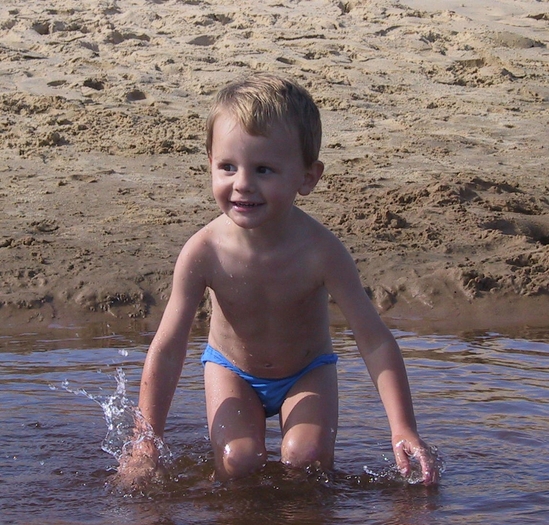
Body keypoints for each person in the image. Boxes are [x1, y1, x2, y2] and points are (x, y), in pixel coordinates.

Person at [117, 73, 437, 486]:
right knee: (238, 460)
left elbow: (373, 340)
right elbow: (168, 348)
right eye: (227, 167)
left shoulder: (322, 252)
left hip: (307, 371)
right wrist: (145, 440)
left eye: (264, 169)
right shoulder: (204, 251)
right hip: (231, 369)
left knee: (307, 460)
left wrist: (403, 426)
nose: (242, 184)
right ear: (210, 163)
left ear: (307, 177)